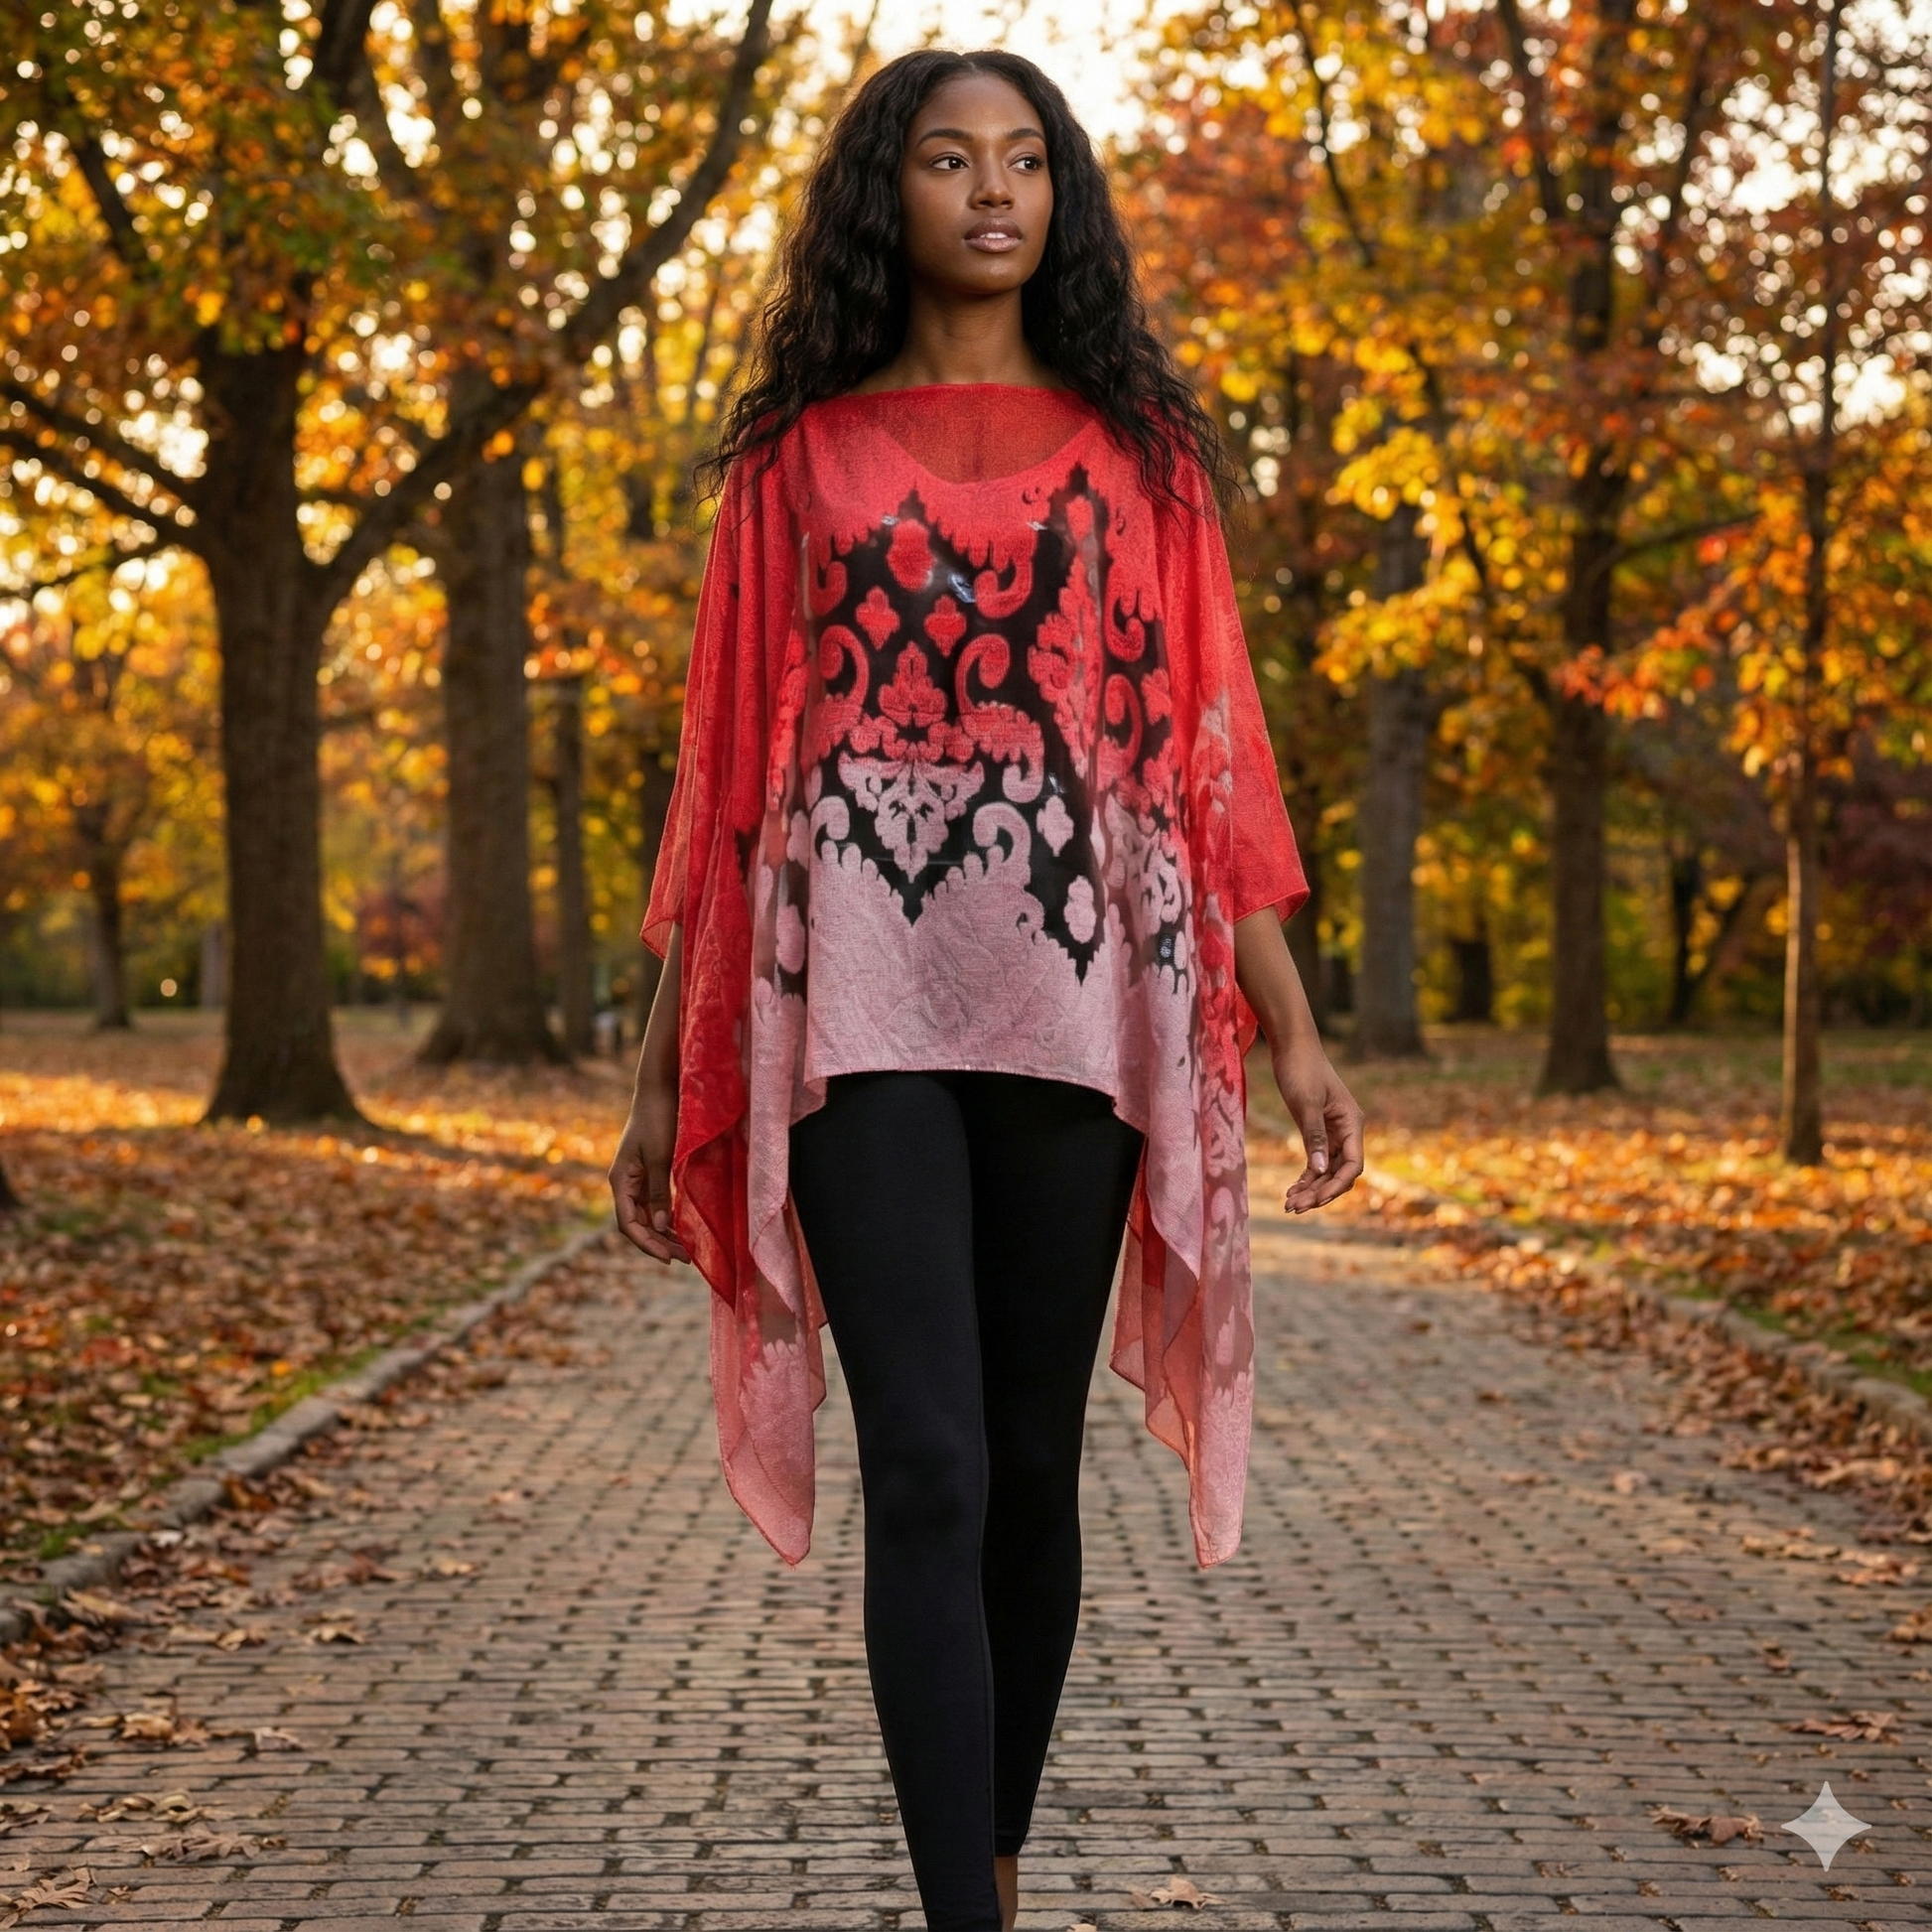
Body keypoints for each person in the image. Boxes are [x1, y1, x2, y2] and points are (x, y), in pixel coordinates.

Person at [608, 48, 1365, 1932]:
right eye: (949, 160)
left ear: (1061, 197)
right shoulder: (789, 466)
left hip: (1084, 997)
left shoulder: (1147, 459)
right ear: (895, 192)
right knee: (928, 1462)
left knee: (1032, 1461)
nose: (992, 192)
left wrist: (1293, 1027)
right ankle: (963, 1914)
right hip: (849, 997)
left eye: (1025, 160)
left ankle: (1001, 1861)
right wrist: (655, 1075)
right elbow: (723, 789)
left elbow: (1209, 754)